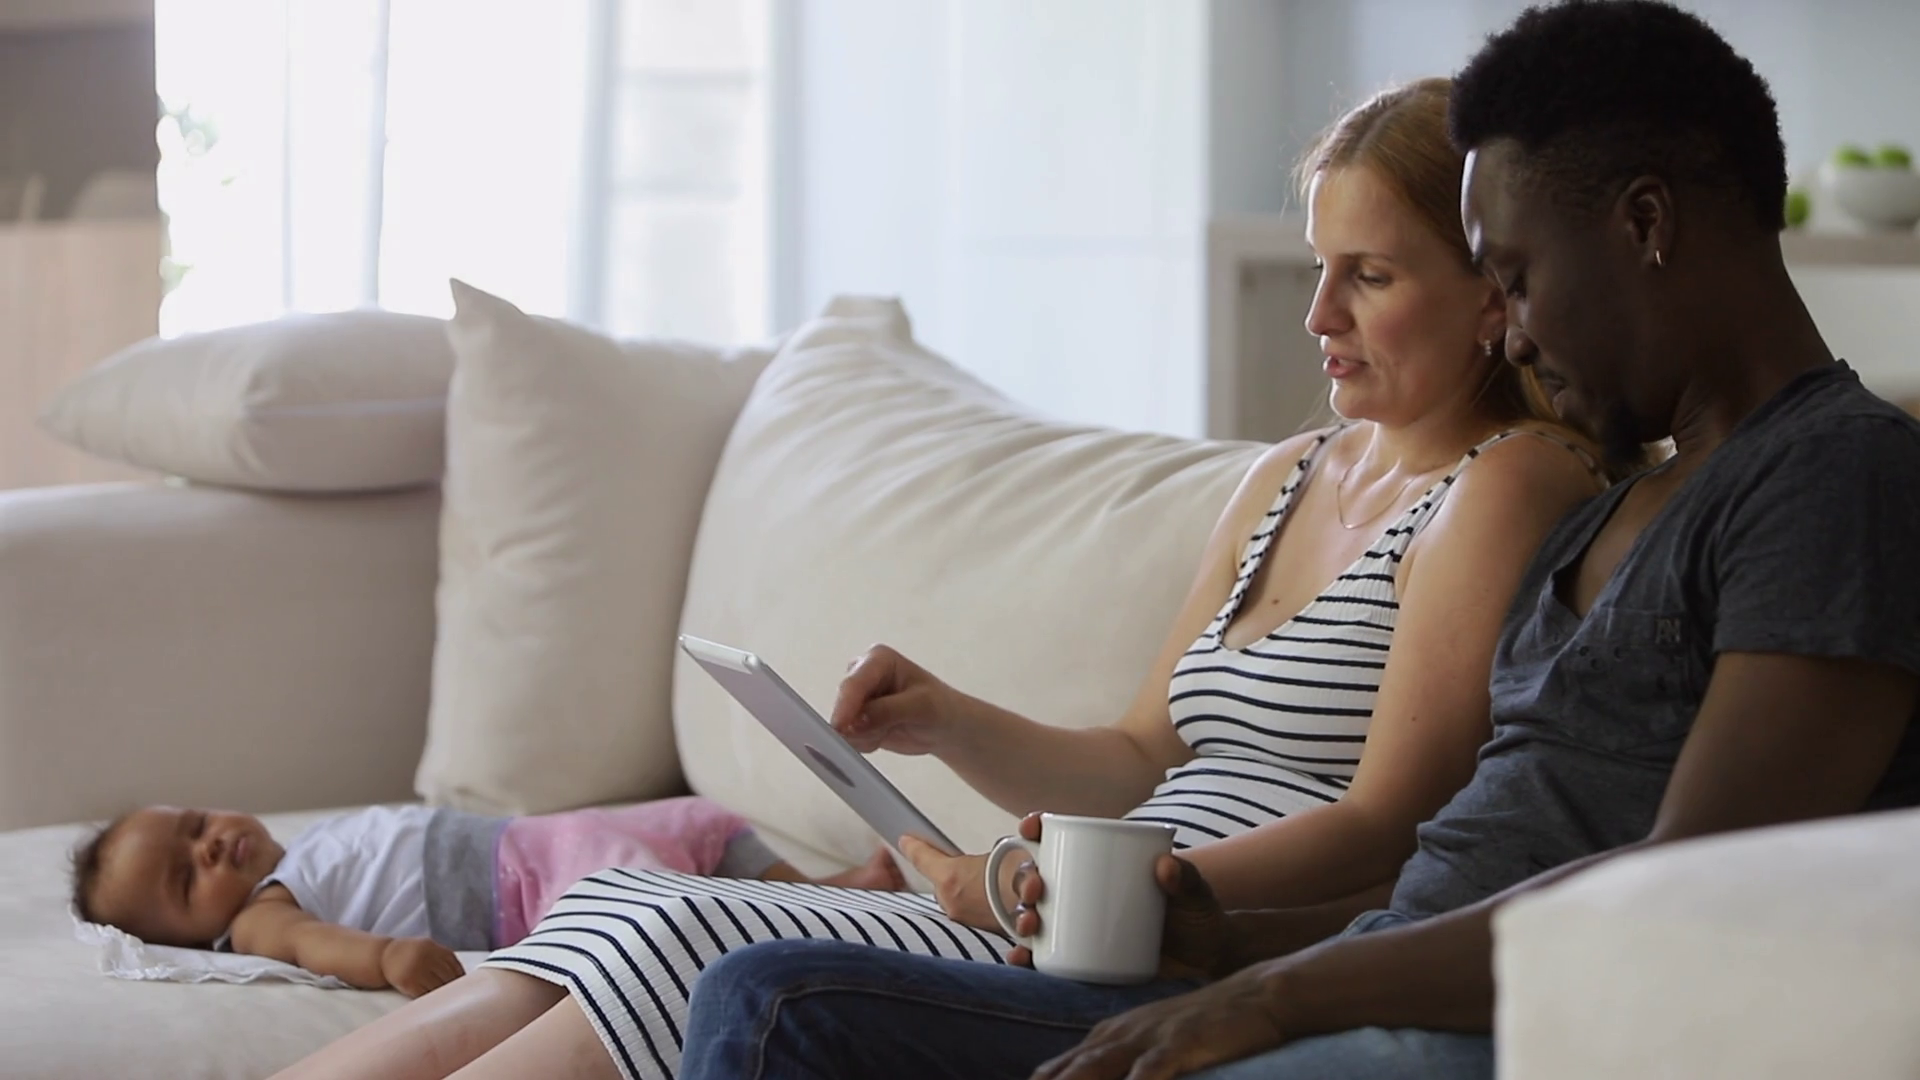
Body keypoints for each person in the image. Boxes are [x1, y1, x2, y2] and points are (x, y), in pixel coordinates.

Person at [673, 3, 1920, 1079]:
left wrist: (1275, 992)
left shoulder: (1836, 474)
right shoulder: (1618, 510)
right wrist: (1225, 944)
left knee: (778, 1006)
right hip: (1380, 984)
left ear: (1645, 223)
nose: (1509, 331)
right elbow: (1450, 870)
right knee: (770, 991)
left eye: (1517, 277)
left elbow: (1678, 893)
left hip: (1506, 1031)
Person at [268, 77, 1606, 1080]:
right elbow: (1141, 755)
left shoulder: (1505, 483)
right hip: (1091, 899)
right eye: (1319, 268)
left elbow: (1385, 824)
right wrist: (948, 721)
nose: (1319, 315)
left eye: (1369, 276)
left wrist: (1090, 888)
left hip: (1174, 939)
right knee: (638, 905)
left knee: (696, 944)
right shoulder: (1288, 477)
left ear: (1493, 294)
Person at [70, 798, 900, 996]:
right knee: (654, 902)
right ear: (192, 936)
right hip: (534, 887)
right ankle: (813, 934)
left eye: (194, 825)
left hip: (539, 838)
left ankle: (822, 895)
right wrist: (386, 956)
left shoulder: (308, 841)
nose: (210, 845)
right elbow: (309, 946)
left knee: (705, 822)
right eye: (187, 878)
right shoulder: (260, 916)